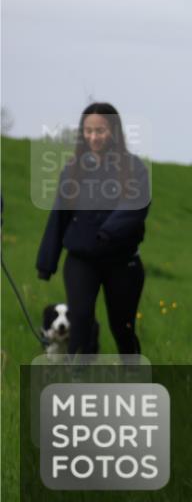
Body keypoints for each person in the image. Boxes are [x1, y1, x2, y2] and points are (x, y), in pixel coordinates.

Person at [36, 102, 150, 359]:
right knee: (81, 321)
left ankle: (133, 374)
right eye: (88, 131)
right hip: (81, 260)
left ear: (114, 131)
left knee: (123, 326)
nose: (93, 137)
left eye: (100, 131)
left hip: (122, 261)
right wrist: (47, 261)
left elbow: (136, 206)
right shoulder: (72, 169)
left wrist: (108, 231)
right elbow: (60, 215)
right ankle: (78, 378)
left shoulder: (134, 168)